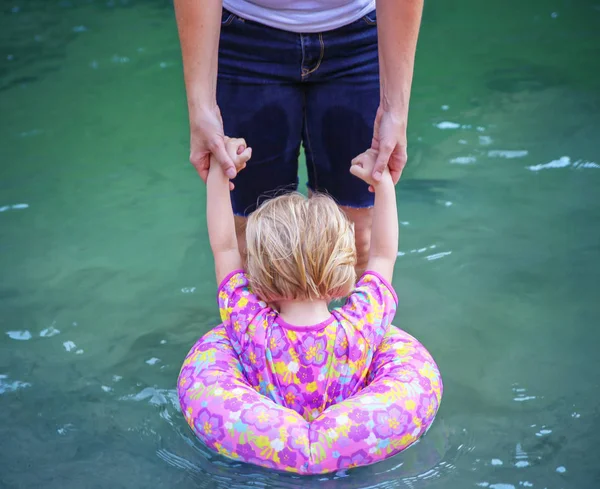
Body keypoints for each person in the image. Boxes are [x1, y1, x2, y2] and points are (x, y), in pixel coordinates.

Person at [174, 0, 423, 273]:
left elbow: (224, 250)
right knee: (252, 245)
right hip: (244, 34)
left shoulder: (242, 310)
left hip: (360, 32)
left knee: (357, 242)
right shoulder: (371, 309)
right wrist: (201, 108)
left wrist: (395, 110)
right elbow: (384, 258)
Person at [207, 136, 399, 421]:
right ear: (341, 266)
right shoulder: (362, 323)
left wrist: (219, 175)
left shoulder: (249, 323)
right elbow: (383, 255)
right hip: (350, 452)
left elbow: (224, 247)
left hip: (264, 454)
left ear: (258, 274)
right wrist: (383, 184)